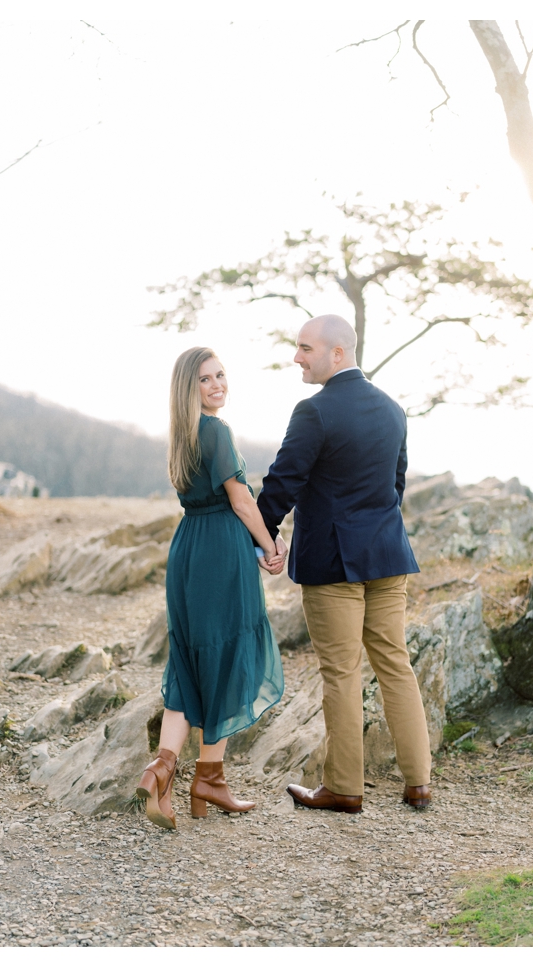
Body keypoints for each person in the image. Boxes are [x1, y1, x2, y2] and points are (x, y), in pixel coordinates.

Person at [255, 313, 432, 813]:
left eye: (306, 348)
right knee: (396, 665)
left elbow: (283, 483)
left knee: (342, 672)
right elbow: (395, 488)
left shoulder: (314, 412)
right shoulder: (393, 410)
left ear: (338, 352)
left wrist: (259, 536)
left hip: (333, 561)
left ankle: (344, 789)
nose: (297, 357)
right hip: (387, 555)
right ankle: (419, 781)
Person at [135, 347, 287, 831]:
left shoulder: (182, 436)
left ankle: (164, 768)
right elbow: (242, 500)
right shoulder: (216, 430)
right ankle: (209, 777)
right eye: (206, 379)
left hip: (188, 550)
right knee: (226, 656)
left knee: (190, 661)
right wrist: (269, 545)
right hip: (221, 549)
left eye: (221, 375)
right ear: (189, 387)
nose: (218, 384)